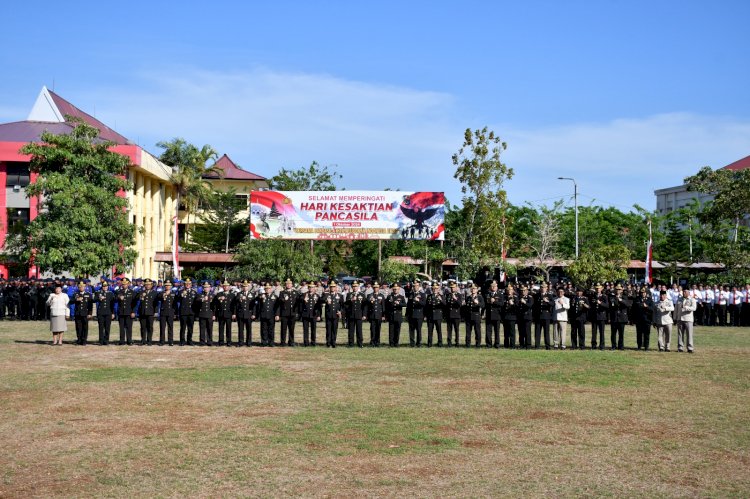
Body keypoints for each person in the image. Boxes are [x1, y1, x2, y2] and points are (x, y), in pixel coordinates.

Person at [233, 280, 256, 346]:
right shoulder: (239, 294)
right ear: (242, 287)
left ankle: (249, 342)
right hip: (241, 314)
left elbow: (254, 305)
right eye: (243, 286)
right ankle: (240, 342)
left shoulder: (252, 294)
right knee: (240, 329)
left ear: (248, 287)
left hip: (249, 314)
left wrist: (253, 314)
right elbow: (236, 304)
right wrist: (240, 298)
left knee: (249, 329)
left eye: (246, 286)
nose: (245, 288)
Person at [321, 281, 344, 348]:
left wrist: (340, 311)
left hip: (335, 315)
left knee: (334, 329)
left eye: (334, 287)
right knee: (328, 330)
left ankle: (333, 343)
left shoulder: (339, 295)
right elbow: (321, 300)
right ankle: (328, 343)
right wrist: (326, 300)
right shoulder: (326, 295)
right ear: (329, 287)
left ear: (336, 287)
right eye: (331, 287)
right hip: (328, 315)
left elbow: (343, 306)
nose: (332, 288)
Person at [297, 281, 320, 346]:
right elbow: (299, 301)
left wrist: (318, 315)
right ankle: (306, 342)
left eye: (312, 287)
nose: (311, 289)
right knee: (305, 329)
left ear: (314, 288)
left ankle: (313, 342)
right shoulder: (304, 294)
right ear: (308, 288)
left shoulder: (317, 295)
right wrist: (303, 299)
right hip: (305, 314)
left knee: (313, 329)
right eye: (310, 287)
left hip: (313, 314)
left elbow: (319, 307)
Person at [609, 284, 631, 350]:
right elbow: (610, 307)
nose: (618, 291)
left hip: (622, 318)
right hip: (614, 317)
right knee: (613, 333)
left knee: (621, 333)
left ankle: (621, 346)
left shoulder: (624, 297)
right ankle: (613, 346)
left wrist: (621, 300)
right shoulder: (612, 297)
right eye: (617, 289)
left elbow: (628, 304)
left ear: (622, 290)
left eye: (619, 289)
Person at [137, 278, 158, 345]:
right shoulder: (141, 292)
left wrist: (156, 312)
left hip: (150, 312)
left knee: (150, 327)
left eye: (149, 285)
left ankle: (149, 340)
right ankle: (143, 340)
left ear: (151, 285)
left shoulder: (154, 293)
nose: (147, 286)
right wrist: (140, 296)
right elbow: (136, 299)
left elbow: (156, 303)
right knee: (143, 327)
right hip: (143, 312)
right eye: (146, 285)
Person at [213, 281, 235, 346]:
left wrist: (234, 313)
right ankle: (221, 341)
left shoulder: (232, 295)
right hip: (221, 313)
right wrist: (214, 314)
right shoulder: (219, 294)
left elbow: (234, 306)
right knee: (221, 328)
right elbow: (215, 305)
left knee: (228, 329)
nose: (225, 287)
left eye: (227, 286)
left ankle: (229, 341)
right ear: (223, 287)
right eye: (224, 286)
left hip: (229, 314)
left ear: (229, 287)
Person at [72, 281, 93, 345]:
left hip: (85, 313)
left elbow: (90, 305)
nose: (81, 288)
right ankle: (79, 339)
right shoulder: (75, 294)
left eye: (82, 286)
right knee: (78, 327)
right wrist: (76, 300)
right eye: (80, 287)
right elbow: (70, 301)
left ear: (85, 287)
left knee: (85, 327)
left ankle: (84, 340)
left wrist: (90, 313)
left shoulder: (88, 294)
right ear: (78, 287)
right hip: (78, 313)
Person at [94, 281, 115, 345]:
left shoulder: (110, 293)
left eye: (106, 286)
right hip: (101, 312)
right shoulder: (98, 293)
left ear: (108, 287)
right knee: (101, 327)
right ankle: (101, 341)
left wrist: (113, 313)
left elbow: (112, 304)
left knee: (107, 327)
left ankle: (106, 340)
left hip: (108, 312)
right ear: (102, 287)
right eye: (104, 286)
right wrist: (99, 298)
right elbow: (94, 299)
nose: (105, 287)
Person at [533, 282, 554, 349]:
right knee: (537, 332)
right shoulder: (537, 295)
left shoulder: (549, 295)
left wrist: (547, 301)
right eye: (542, 287)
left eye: (544, 288)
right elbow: (534, 305)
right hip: (538, 316)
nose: (543, 289)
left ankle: (547, 346)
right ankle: (537, 345)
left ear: (547, 288)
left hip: (546, 316)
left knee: (546, 332)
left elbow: (553, 304)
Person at [277, 278, 298, 346]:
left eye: (290, 284)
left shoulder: (295, 292)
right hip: (284, 313)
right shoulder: (282, 292)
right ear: (285, 285)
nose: (288, 285)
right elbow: (279, 301)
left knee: (291, 329)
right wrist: (283, 299)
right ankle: (283, 342)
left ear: (292, 285)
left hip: (292, 313)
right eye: (287, 284)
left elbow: (298, 302)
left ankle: (291, 342)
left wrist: (297, 312)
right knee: (283, 329)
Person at [676, 288, 697, 353]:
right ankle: (680, 347)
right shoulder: (679, 299)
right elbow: (676, 309)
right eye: (683, 292)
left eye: (685, 292)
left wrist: (687, 307)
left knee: (689, 334)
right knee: (680, 334)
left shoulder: (692, 299)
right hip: (680, 318)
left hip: (688, 319)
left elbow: (694, 308)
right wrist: (675, 318)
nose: (683, 293)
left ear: (688, 293)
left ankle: (690, 348)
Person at [178, 278, 198, 345]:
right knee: (183, 327)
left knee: (190, 328)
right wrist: (182, 294)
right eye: (186, 284)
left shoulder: (194, 292)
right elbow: (177, 299)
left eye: (189, 284)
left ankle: (189, 340)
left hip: (191, 312)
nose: (187, 285)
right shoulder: (181, 291)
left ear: (191, 285)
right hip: (183, 312)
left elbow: (196, 302)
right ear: (184, 285)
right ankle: (182, 341)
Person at [346, 280, 366, 347]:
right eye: (353, 286)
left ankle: (360, 343)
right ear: (352, 287)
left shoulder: (362, 295)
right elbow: (346, 305)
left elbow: (364, 306)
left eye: (356, 286)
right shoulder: (349, 295)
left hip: (359, 315)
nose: (355, 288)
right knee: (351, 330)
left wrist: (364, 314)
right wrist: (350, 300)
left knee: (359, 330)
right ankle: (350, 343)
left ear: (358, 286)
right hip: (351, 315)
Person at [386, 282, 406, 347]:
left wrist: (399, 304)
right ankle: (391, 343)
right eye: (394, 289)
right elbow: (386, 306)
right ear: (392, 289)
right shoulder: (389, 297)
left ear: (399, 289)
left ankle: (396, 343)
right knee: (391, 330)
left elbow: (405, 304)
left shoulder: (401, 297)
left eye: (396, 289)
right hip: (391, 315)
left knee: (397, 330)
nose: (395, 290)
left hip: (398, 316)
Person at [157, 280, 177, 346]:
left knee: (170, 327)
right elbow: (158, 297)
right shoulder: (161, 292)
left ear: (171, 286)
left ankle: (170, 341)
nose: (167, 287)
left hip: (171, 312)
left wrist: (175, 313)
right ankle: (162, 341)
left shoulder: (174, 293)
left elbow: (175, 303)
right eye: (166, 285)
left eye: (169, 285)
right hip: (163, 312)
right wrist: (165, 294)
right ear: (164, 286)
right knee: (162, 327)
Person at [366, 282, 386, 347]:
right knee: (372, 329)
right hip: (372, 315)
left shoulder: (381, 295)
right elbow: (367, 306)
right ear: (373, 288)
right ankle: (372, 341)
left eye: (377, 287)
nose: (375, 289)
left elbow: (383, 306)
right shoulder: (369, 295)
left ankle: (377, 342)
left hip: (379, 315)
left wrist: (383, 315)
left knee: (378, 329)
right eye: (374, 287)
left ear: (379, 288)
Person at [464, 283, 484, 347]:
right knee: (468, 331)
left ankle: (478, 344)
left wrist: (478, 303)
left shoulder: (480, 297)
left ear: (477, 290)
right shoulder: (468, 297)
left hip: (476, 316)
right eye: (472, 289)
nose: (473, 290)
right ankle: (468, 344)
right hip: (468, 316)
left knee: (477, 331)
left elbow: (483, 305)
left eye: (474, 289)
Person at [590, 284, 609, 350]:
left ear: (601, 289)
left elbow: (607, 306)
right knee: (594, 332)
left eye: (599, 288)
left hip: (601, 316)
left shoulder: (604, 296)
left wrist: (600, 303)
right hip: (594, 316)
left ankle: (602, 346)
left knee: (602, 332)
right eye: (597, 288)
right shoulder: (593, 296)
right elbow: (591, 306)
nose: (598, 290)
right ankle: (593, 345)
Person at [407, 281, 426, 347]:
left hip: (419, 315)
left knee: (418, 330)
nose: (415, 287)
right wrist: (407, 314)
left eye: (417, 286)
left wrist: (419, 301)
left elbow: (424, 304)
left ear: (419, 286)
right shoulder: (411, 294)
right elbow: (408, 305)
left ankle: (418, 343)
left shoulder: (422, 294)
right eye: (414, 286)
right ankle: (412, 343)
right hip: (411, 315)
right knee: (411, 330)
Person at [426, 282, 444, 347]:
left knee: (439, 330)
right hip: (430, 316)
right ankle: (429, 343)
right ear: (432, 289)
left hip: (438, 315)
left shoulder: (441, 296)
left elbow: (445, 305)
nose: (435, 290)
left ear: (438, 289)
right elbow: (426, 307)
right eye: (433, 288)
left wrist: (441, 300)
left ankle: (440, 343)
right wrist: (426, 315)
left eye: (436, 288)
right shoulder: (429, 296)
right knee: (430, 330)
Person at [484, 281, 502, 348]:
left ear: (497, 287)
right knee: (488, 331)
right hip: (489, 315)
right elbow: (485, 304)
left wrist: (494, 301)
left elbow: (501, 304)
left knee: (496, 331)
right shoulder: (487, 294)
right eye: (492, 286)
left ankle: (497, 344)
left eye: (494, 286)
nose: (493, 287)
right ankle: (488, 344)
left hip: (497, 315)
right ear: (490, 287)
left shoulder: (500, 294)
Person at [445, 281, 463, 347]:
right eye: (451, 287)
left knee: (456, 330)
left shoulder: (459, 295)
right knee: (449, 330)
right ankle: (449, 343)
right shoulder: (448, 295)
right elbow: (446, 305)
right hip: (449, 315)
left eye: (453, 287)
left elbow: (460, 304)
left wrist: (455, 298)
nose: (452, 289)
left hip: (456, 315)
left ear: (456, 288)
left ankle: (457, 343)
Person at [517, 285, 534, 349]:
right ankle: (521, 344)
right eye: (522, 290)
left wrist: (524, 302)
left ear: (527, 291)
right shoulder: (519, 297)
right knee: (521, 332)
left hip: (527, 317)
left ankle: (528, 345)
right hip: (520, 317)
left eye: (524, 290)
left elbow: (530, 305)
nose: (523, 292)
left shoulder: (530, 297)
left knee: (527, 331)